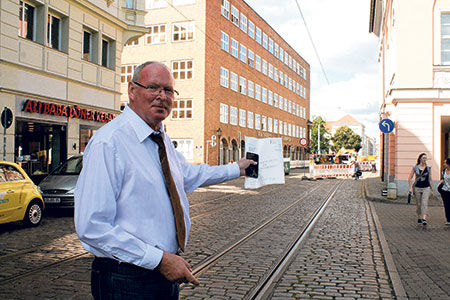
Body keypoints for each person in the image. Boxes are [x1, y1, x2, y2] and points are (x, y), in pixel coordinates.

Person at [74, 61, 256, 299]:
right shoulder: (109, 143)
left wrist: (237, 169)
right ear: (132, 90)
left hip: (162, 273)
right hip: (126, 279)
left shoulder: (162, 140)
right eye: (153, 88)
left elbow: (189, 176)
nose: (162, 96)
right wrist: (159, 260)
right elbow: (92, 227)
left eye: (168, 90)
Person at [408, 153, 433, 225]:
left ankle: (424, 218)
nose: (425, 159)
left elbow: (430, 179)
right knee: (418, 204)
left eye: (426, 158)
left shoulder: (428, 168)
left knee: (424, 203)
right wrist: (410, 187)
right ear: (420, 159)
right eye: (423, 158)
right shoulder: (415, 167)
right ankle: (419, 217)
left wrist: (432, 189)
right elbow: (410, 177)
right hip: (417, 187)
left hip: (426, 187)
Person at [437, 158, 450, 226]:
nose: (443, 164)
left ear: (448, 164)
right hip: (445, 190)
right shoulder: (444, 171)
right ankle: (448, 219)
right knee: (447, 205)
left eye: (445, 163)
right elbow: (443, 179)